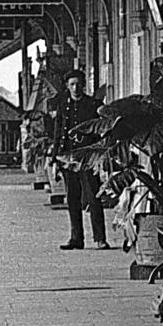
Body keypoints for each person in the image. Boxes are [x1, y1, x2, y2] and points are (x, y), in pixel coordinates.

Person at [50, 69, 109, 251]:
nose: (75, 88)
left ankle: (100, 238)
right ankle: (76, 238)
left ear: (83, 85)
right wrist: (55, 159)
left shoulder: (94, 105)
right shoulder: (63, 106)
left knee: (93, 196)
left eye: (78, 84)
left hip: (89, 157)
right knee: (72, 198)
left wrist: (101, 156)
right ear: (68, 87)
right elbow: (58, 133)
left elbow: (101, 131)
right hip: (68, 158)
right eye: (72, 84)